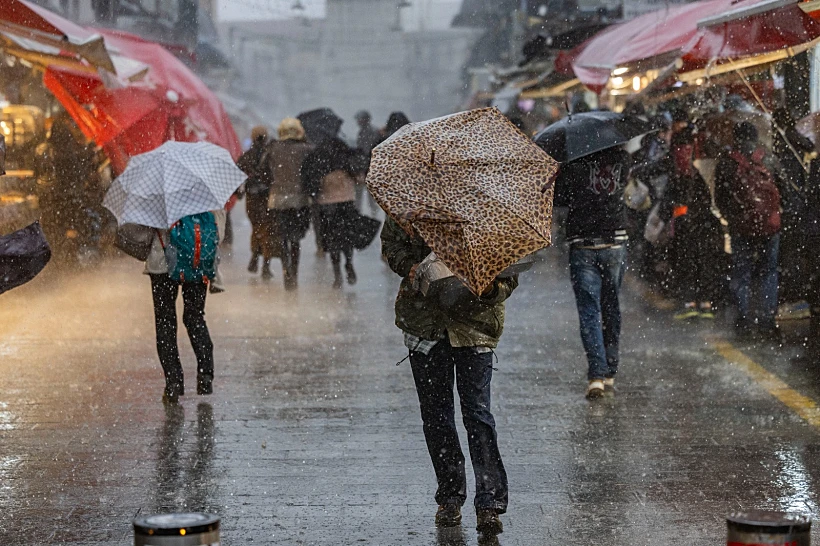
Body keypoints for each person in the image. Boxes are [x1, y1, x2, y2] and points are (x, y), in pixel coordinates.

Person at [381, 217, 516, 535]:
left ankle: (489, 502)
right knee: (437, 416)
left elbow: (510, 267)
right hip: (425, 324)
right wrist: (413, 269)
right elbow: (392, 245)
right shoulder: (410, 202)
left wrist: (491, 286)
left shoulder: (488, 209)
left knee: (478, 414)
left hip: (475, 326)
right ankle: (451, 497)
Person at [554, 146, 630, 399]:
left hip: (583, 243)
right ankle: (610, 367)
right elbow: (629, 192)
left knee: (589, 311)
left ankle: (596, 375)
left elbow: (559, 199)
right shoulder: (622, 158)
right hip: (614, 241)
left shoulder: (574, 161)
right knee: (611, 306)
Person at [145, 210, 226, 404]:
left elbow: (142, 229)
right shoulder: (206, 190)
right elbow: (219, 233)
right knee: (195, 316)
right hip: (196, 262)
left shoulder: (156, 188)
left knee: (165, 321)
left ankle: (173, 382)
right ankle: (205, 373)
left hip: (162, 262)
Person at [715, 122, 782, 341]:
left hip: (741, 226)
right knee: (769, 272)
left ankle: (743, 320)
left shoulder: (728, 161)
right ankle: (767, 321)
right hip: (770, 227)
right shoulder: (768, 158)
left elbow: (720, 198)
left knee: (741, 272)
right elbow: (783, 191)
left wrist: (733, 218)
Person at [660, 125, 723, 320]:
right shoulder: (701, 168)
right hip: (704, 223)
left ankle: (690, 303)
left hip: (685, 225)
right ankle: (706, 303)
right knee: (704, 262)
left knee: (686, 263)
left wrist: (674, 212)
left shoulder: (679, 169)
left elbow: (669, 200)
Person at [302, 136, 363, 289]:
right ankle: (348, 263)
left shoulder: (319, 164)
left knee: (332, 242)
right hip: (346, 204)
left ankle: (337, 275)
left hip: (327, 207)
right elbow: (360, 179)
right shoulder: (347, 163)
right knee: (347, 239)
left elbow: (313, 188)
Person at [265, 118, 313, 290]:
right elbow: (312, 172)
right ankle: (294, 272)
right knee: (296, 240)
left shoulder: (273, 149)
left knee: (283, 238)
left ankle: (286, 270)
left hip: (278, 200)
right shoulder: (307, 149)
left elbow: (265, 171)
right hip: (299, 201)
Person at [237, 126, 276, 279]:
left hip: (252, 197)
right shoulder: (271, 155)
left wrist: (239, 193)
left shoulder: (247, 156)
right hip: (267, 197)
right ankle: (266, 265)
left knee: (256, 228)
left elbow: (237, 173)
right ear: (266, 137)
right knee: (268, 230)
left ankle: (254, 257)